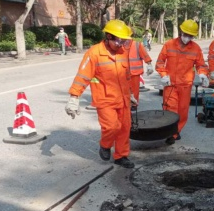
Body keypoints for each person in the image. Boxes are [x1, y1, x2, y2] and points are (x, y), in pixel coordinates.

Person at [65, 19, 137, 169]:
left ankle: (121, 156)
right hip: (105, 99)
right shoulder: (95, 53)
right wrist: (74, 97)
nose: (122, 44)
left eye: (124, 41)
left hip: (123, 98)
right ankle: (105, 145)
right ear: (109, 37)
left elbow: (126, 75)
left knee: (124, 127)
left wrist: (130, 94)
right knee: (112, 127)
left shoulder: (123, 52)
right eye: (119, 40)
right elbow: (82, 76)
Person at [156, 19, 209, 145]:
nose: (187, 37)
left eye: (190, 36)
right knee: (170, 109)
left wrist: (203, 74)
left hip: (185, 85)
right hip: (170, 84)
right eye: (186, 34)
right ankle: (170, 133)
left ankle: (176, 131)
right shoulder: (169, 45)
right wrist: (163, 75)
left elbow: (201, 64)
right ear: (181, 32)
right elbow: (160, 62)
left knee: (182, 111)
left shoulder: (195, 48)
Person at [127, 29, 153, 110]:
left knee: (134, 90)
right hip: (123, 72)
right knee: (124, 89)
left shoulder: (137, 45)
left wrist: (149, 64)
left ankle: (134, 105)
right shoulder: (119, 45)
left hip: (135, 73)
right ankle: (126, 104)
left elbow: (145, 55)